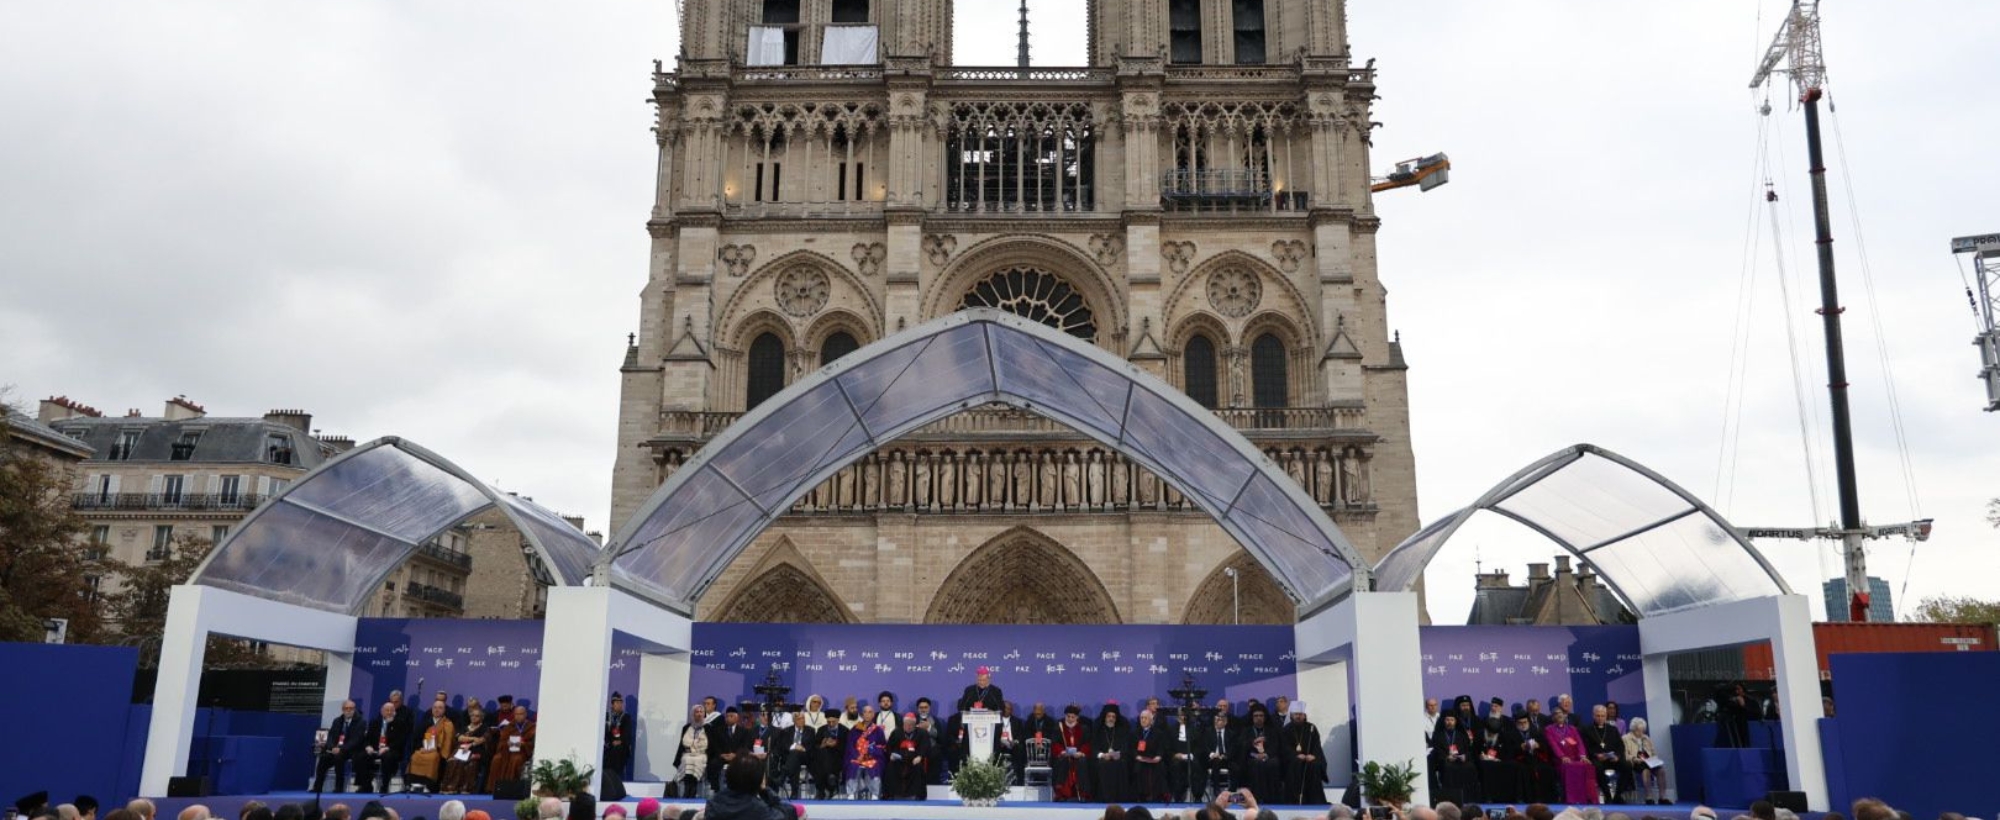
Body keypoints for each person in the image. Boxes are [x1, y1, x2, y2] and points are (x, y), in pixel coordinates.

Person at [705, 759, 799, 820]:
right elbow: (785, 814)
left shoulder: (713, 803)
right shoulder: (758, 808)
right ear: (757, 781)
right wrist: (765, 791)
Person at [1474, 698, 1523, 802]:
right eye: (1490, 733)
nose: (1492, 735)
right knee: (1486, 766)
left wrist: (1499, 758)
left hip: (1499, 759)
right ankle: (1488, 797)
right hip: (1484, 761)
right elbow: (1474, 750)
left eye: (1494, 734)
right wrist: (1480, 755)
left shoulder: (1504, 732)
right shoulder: (1480, 733)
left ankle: (1511, 797)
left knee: (1513, 765)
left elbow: (1508, 749)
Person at [315, 701, 367, 793]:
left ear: (354, 709)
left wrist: (341, 749)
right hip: (335, 749)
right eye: (346, 708)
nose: (348, 711)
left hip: (351, 751)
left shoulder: (361, 722)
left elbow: (356, 740)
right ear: (342, 710)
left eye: (351, 708)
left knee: (339, 757)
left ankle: (338, 787)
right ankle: (317, 787)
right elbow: (330, 737)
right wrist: (332, 747)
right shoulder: (337, 721)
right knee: (324, 758)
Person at [358, 701, 409, 793]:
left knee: (387, 757)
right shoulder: (375, 722)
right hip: (375, 750)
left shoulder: (400, 723)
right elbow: (367, 738)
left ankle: (384, 786)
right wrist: (368, 746)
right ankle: (366, 785)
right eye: (386, 710)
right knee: (361, 756)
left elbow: (400, 741)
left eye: (391, 710)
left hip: (391, 750)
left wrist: (387, 748)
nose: (389, 712)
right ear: (382, 712)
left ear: (395, 712)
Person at [1241, 705, 1287, 804]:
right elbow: (1242, 747)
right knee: (1256, 764)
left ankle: (1272, 798)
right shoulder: (1246, 731)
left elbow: (1276, 747)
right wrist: (1253, 743)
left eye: (1261, 716)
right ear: (1252, 718)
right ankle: (1257, 797)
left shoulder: (1272, 730)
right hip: (1252, 757)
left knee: (1274, 763)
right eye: (1256, 716)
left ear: (1265, 717)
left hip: (1268, 757)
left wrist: (1266, 755)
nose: (1258, 718)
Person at [1544, 710, 1593, 804]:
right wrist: (1562, 756)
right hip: (1560, 760)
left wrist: (1582, 756)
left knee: (1586, 765)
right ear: (1553, 717)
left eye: (1561, 713)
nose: (1559, 715)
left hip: (1576, 758)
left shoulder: (1572, 728)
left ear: (1565, 716)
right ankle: (1571, 799)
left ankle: (1585, 798)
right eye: (1556, 714)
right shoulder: (1549, 729)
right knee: (1569, 767)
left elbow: (1579, 743)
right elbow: (1553, 744)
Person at [440, 702, 490, 794]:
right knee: (453, 760)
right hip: (461, 749)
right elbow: (459, 738)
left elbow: (482, 740)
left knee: (469, 762)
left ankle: (465, 788)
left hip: (476, 750)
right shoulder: (464, 727)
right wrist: (473, 738)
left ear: (481, 717)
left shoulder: (484, 728)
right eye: (472, 716)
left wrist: (470, 745)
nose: (474, 717)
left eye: (477, 716)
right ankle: (450, 787)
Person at [1284, 702, 1328, 805]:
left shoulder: (1311, 728)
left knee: (1315, 764)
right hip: (1293, 759)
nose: (1298, 716)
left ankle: (1315, 799)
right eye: (1296, 714)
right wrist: (1296, 755)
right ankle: (1296, 800)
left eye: (1300, 714)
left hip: (1309, 757)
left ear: (1304, 715)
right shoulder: (1286, 729)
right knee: (1297, 763)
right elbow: (1284, 748)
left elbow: (1317, 745)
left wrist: (1313, 755)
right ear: (1291, 715)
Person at [1580, 705, 1626, 803]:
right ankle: (1608, 795)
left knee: (1627, 766)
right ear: (1593, 716)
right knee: (1598, 767)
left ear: (1606, 716)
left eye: (1602, 716)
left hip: (1612, 759)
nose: (1600, 718)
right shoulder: (1586, 729)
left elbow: (1620, 746)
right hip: (1597, 759)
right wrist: (1596, 755)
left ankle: (1618, 795)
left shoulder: (1612, 729)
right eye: (1598, 716)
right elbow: (1585, 746)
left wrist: (1617, 756)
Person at [408, 700, 455, 793]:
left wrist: (436, 749)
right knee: (415, 756)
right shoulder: (425, 722)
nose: (437, 710)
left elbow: (448, 741)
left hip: (438, 751)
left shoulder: (448, 724)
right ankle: (415, 783)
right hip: (424, 749)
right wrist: (421, 747)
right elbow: (416, 738)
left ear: (444, 710)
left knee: (432, 758)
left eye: (440, 708)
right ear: (431, 709)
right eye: (435, 708)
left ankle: (428, 785)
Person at [1430, 712, 1478, 803]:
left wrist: (1465, 756)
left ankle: (1468, 797)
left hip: (1460, 760)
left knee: (1471, 766)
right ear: (1443, 721)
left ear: (1456, 722)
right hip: (1445, 761)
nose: (1449, 722)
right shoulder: (1438, 735)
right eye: (1447, 720)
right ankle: (1450, 797)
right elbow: (1436, 750)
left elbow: (1469, 750)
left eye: (1452, 720)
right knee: (1448, 767)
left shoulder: (1462, 735)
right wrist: (1446, 757)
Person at [488, 704, 535, 795]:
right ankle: (494, 788)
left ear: (525, 714)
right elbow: (501, 742)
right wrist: (507, 744)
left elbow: (532, 743)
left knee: (516, 760)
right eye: (516, 714)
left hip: (522, 752)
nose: (518, 716)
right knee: (496, 759)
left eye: (521, 714)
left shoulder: (531, 727)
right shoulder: (509, 726)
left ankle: (511, 787)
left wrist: (524, 744)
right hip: (507, 751)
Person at [886, 712, 933, 800]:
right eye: (906, 724)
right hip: (899, 760)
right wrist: (891, 755)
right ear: (903, 724)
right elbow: (889, 746)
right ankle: (894, 794)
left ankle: (916, 795)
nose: (908, 726)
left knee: (918, 768)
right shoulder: (896, 732)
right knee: (891, 767)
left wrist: (920, 756)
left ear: (915, 725)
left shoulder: (922, 733)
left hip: (914, 760)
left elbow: (925, 747)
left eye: (911, 725)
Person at [1511, 712, 1557, 803]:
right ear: (1516, 724)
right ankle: (1525, 798)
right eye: (1520, 723)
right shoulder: (1512, 734)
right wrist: (1521, 747)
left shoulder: (1536, 732)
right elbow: (1509, 750)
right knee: (1523, 769)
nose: (1523, 725)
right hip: (1521, 759)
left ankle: (1547, 798)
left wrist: (1538, 745)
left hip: (1535, 758)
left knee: (1548, 769)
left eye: (1525, 722)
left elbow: (1545, 746)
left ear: (1528, 722)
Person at [1092, 703, 1133, 804]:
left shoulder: (1121, 730)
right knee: (1103, 764)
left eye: (1113, 717)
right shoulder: (1098, 730)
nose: (1111, 718)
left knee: (1122, 764)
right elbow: (1093, 747)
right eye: (1109, 716)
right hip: (1103, 759)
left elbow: (1126, 746)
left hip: (1117, 759)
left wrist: (1118, 754)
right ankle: (1103, 798)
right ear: (1105, 717)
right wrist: (1102, 755)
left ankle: (1119, 798)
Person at [843, 704, 886, 800]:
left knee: (874, 765)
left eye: (870, 712)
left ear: (873, 714)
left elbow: (881, 746)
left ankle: (875, 793)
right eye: (865, 712)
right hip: (856, 756)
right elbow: (850, 745)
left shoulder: (878, 730)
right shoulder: (855, 729)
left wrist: (870, 752)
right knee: (852, 766)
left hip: (871, 756)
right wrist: (857, 755)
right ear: (862, 714)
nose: (867, 714)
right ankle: (851, 793)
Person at [1195, 709, 1239, 800]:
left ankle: (1231, 792)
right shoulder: (1207, 732)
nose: (1219, 721)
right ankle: (1216, 788)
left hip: (1226, 759)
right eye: (1217, 719)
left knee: (1236, 767)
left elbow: (1233, 748)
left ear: (1225, 722)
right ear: (1214, 720)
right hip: (1212, 759)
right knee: (1215, 761)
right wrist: (1212, 754)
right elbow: (1204, 746)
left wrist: (1225, 755)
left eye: (1221, 719)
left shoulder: (1231, 733)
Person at [1054, 704, 1094, 802]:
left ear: (1077, 717)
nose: (1070, 719)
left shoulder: (1083, 728)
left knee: (1082, 761)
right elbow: (1055, 744)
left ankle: (1083, 793)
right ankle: (1062, 794)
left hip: (1078, 756)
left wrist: (1081, 753)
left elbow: (1087, 744)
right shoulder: (1059, 728)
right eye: (1068, 716)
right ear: (1065, 716)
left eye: (1073, 717)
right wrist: (1062, 752)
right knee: (1063, 761)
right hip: (1064, 756)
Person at [1622, 717, 1665, 805]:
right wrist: (1634, 759)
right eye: (1638, 730)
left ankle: (1662, 797)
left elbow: (1653, 752)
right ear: (1633, 729)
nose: (1641, 733)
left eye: (1642, 730)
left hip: (1649, 760)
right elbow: (1625, 754)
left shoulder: (1646, 738)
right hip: (1636, 761)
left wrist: (1655, 759)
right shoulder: (1626, 738)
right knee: (1646, 770)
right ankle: (1648, 797)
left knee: (1661, 770)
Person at [773, 705, 812, 799]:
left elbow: (811, 746)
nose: (802, 720)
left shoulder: (810, 730)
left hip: (805, 756)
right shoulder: (787, 731)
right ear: (794, 721)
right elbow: (784, 746)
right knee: (794, 759)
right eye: (799, 719)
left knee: (794, 756)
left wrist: (802, 748)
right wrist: (795, 746)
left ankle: (783, 776)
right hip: (791, 757)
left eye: (803, 718)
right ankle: (794, 793)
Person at [1130, 709, 1168, 802]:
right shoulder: (1135, 733)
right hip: (1140, 759)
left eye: (1145, 718)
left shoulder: (1158, 733)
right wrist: (1136, 756)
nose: (1143, 720)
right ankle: (1140, 796)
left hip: (1153, 759)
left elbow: (1161, 747)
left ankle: (1155, 796)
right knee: (1138, 767)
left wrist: (1159, 756)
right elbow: (1131, 748)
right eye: (1141, 718)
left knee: (1159, 767)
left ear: (1151, 720)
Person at [603, 693, 636, 801]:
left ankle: (615, 779)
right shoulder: (606, 716)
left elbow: (627, 735)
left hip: (621, 746)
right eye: (617, 703)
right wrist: (610, 742)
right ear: (612, 704)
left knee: (617, 751)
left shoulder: (625, 717)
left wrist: (619, 741)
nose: (620, 705)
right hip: (608, 744)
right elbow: (604, 733)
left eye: (621, 703)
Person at [675, 703, 712, 798]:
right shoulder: (687, 727)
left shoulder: (708, 728)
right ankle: (688, 789)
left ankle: (693, 789)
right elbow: (684, 743)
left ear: (704, 714)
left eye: (701, 712)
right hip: (688, 754)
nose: (699, 714)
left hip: (701, 754)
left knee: (698, 760)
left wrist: (692, 744)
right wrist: (696, 743)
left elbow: (705, 744)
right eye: (697, 712)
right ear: (693, 714)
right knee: (686, 760)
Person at [811, 708, 846, 799]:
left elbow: (847, 747)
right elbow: (815, 746)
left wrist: (836, 745)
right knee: (820, 757)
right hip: (822, 758)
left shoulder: (844, 730)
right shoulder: (821, 729)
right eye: (828, 722)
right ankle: (831, 784)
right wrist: (822, 744)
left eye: (833, 722)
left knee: (823, 764)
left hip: (838, 758)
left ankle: (822, 790)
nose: (831, 724)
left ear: (838, 720)